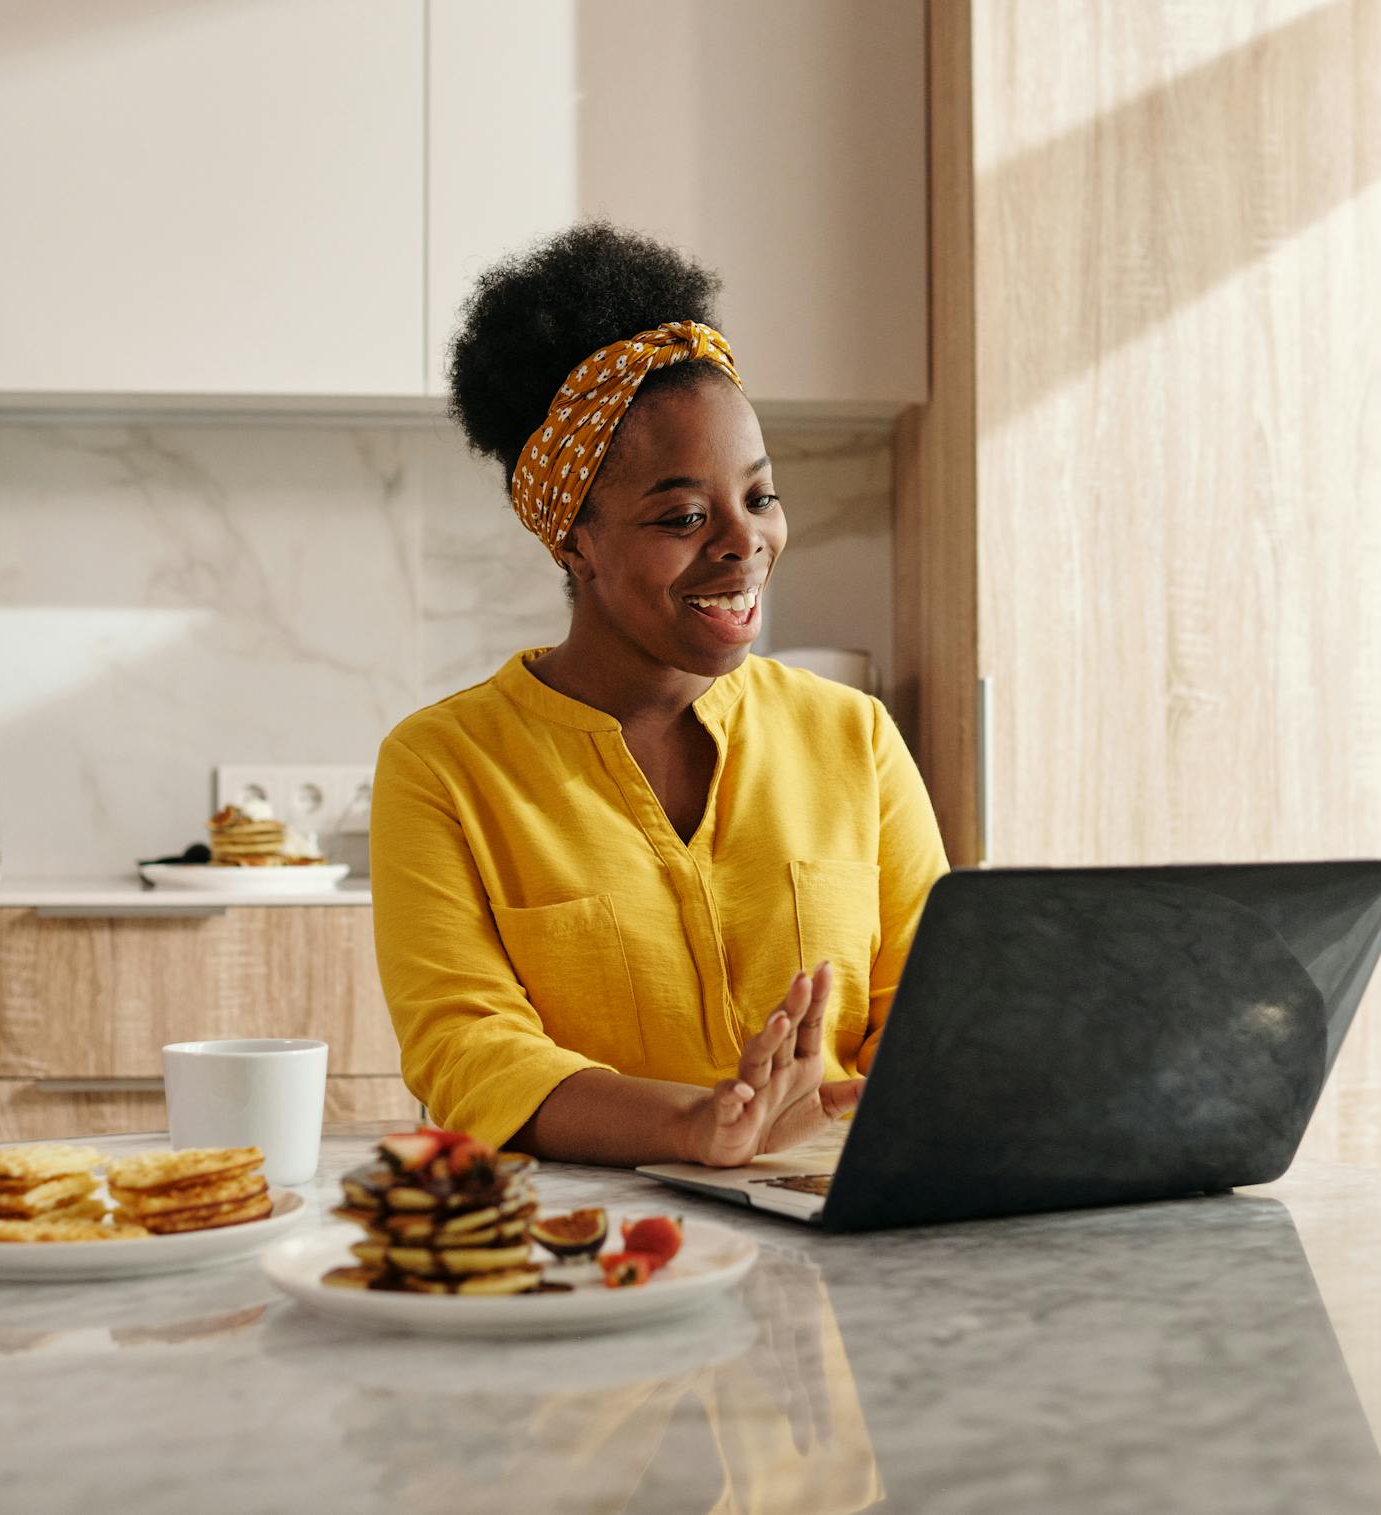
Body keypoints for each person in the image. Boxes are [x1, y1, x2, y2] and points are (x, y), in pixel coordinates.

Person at [369, 223, 948, 1168]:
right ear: (574, 542)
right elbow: (467, 1050)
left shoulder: (856, 737)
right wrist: (695, 1125)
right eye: (683, 516)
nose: (743, 541)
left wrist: (851, 1110)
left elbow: (933, 1010)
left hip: (844, 1231)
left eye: (758, 497)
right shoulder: (444, 767)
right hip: (602, 1255)